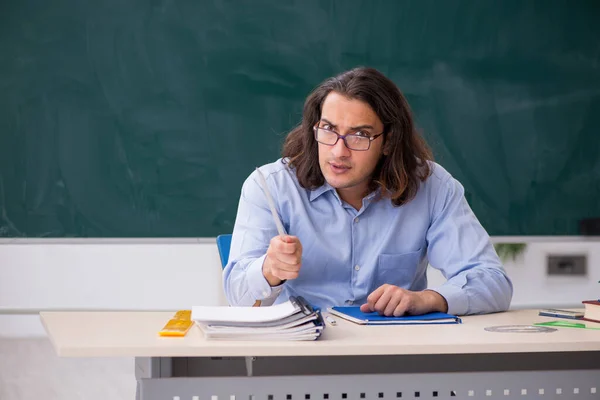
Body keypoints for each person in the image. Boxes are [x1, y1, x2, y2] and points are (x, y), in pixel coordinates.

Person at [223, 67, 513, 316]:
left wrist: (427, 299)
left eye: (359, 135)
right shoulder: (271, 185)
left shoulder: (432, 186)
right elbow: (239, 297)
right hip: (300, 358)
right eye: (328, 129)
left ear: (388, 142)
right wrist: (269, 270)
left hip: (396, 363)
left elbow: (492, 282)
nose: (338, 151)